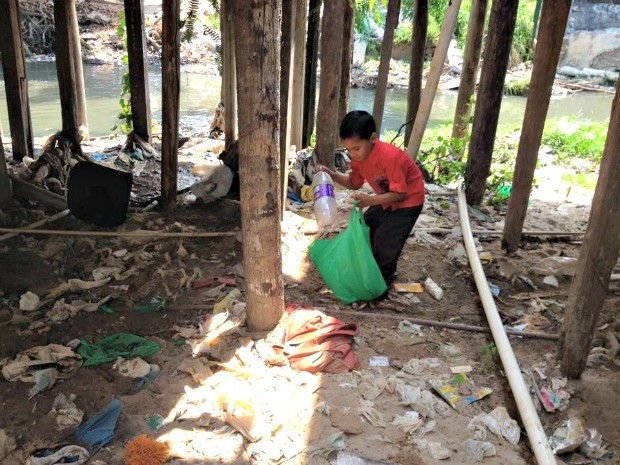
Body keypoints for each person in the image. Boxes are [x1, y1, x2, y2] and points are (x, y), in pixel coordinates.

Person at [318, 110, 425, 293]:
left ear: (373, 138)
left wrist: (371, 200)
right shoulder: (358, 159)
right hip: (386, 199)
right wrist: (333, 175)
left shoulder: (391, 157)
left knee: (386, 240)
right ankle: (369, 270)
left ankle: (380, 286)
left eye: (356, 149)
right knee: (367, 227)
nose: (353, 155)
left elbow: (400, 194)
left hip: (408, 202)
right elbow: (353, 182)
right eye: (349, 150)